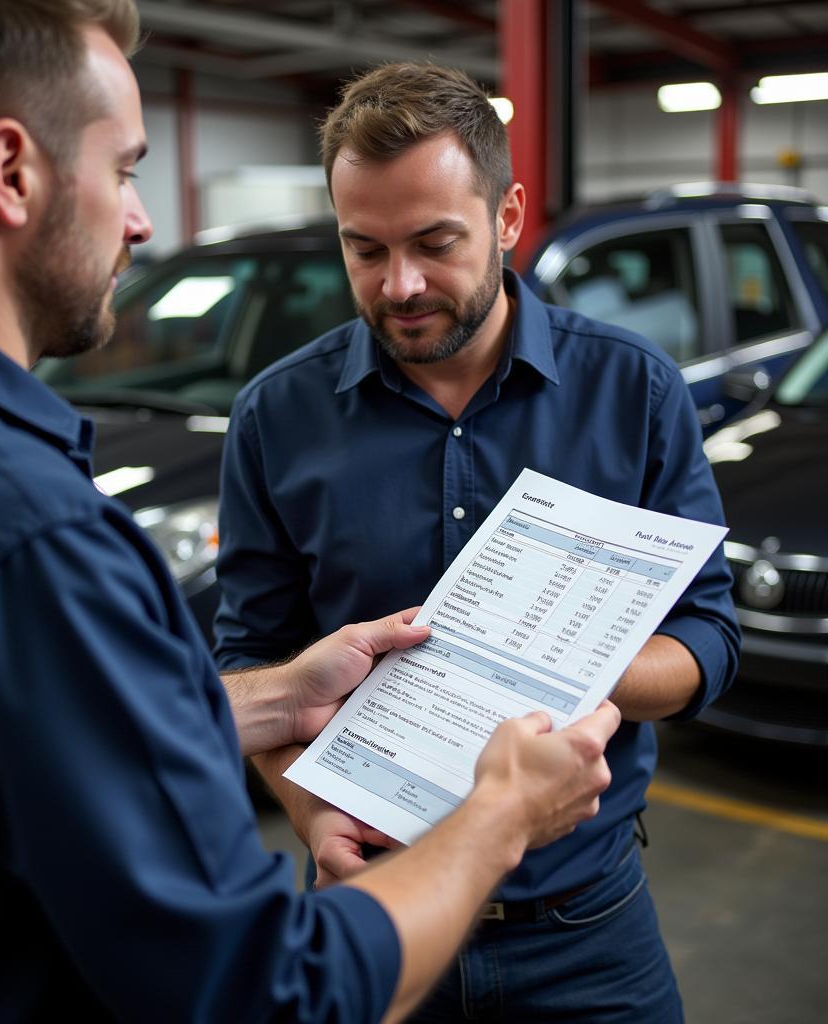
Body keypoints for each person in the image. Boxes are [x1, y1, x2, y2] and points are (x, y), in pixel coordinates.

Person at [0, 6, 622, 1022]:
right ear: (11, 171)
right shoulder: (25, 535)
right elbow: (270, 993)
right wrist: (499, 812)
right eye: (125, 169)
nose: (140, 221)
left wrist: (270, 700)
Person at [214, 63, 742, 1022]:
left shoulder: (633, 391)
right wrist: (310, 816)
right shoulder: (274, 417)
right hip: (370, 910)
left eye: (433, 242)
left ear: (507, 217)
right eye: (363, 249)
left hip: (585, 928)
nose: (399, 284)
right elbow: (252, 658)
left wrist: (554, 670)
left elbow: (708, 635)